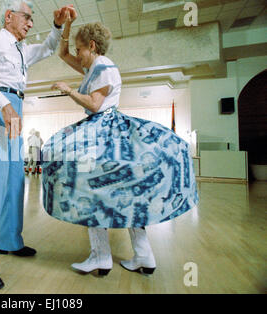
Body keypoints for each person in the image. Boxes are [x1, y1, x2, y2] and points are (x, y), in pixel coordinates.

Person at [44, 19, 199, 276]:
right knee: (127, 192)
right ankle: (144, 256)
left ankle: (101, 256)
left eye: (80, 49)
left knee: (91, 186)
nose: (78, 55)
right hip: (105, 129)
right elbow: (62, 54)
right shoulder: (93, 67)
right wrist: (67, 25)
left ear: (92, 46)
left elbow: (94, 105)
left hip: (103, 129)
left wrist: (68, 90)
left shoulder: (102, 66)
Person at [0, 0, 76, 290]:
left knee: (15, 181)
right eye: (27, 17)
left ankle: (8, 241)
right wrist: (3, 105)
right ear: (9, 16)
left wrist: (59, 24)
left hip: (13, 108)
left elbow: (50, 47)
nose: (30, 22)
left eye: (32, 19)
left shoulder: (21, 50)